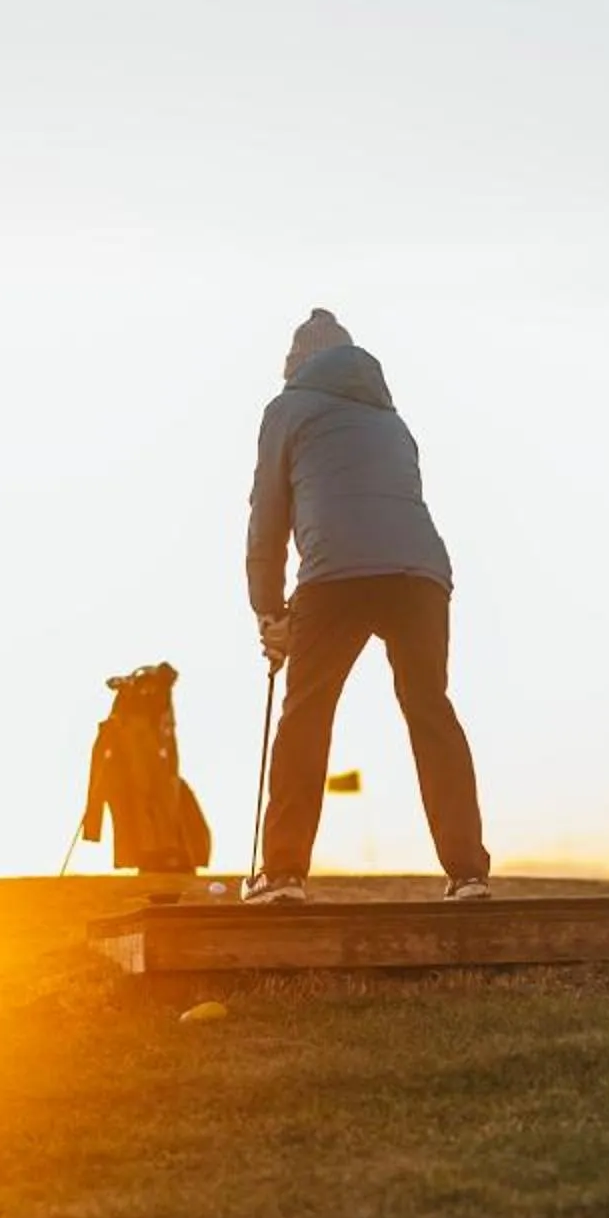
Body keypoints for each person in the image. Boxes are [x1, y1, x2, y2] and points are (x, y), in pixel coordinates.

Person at [244, 309, 490, 903]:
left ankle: (281, 874)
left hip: (336, 576)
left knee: (306, 713)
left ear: (295, 365)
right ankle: (469, 873)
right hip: (421, 575)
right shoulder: (392, 419)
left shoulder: (286, 410)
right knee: (430, 709)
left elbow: (268, 517)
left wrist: (269, 611)